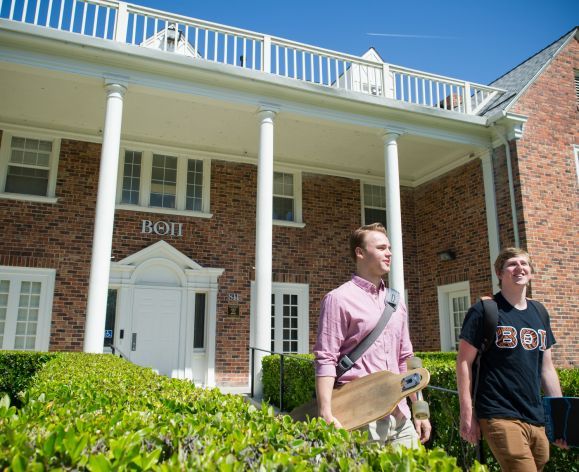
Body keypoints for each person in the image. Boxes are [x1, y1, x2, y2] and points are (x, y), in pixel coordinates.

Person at [313, 223, 431, 448]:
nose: (389, 253)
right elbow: (325, 359)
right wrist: (325, 412)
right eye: (381, 248)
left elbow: (406, 358)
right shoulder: (338, 299)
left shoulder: (396, 303)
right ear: (360, 253)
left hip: (400, 414)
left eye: (389, 248)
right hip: (359, 414)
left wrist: (419, 410)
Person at [457, 247, 566, 471]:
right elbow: (464, 363)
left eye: (524, 264)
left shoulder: (540, 312)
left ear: (531, 273)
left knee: (540, 462)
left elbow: (546, 368)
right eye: (512, 264)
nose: (519, 268)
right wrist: (467, 412)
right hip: (498, 412)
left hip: (534, 415)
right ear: (499, 272)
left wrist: (559, 417)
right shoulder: (485, 310)